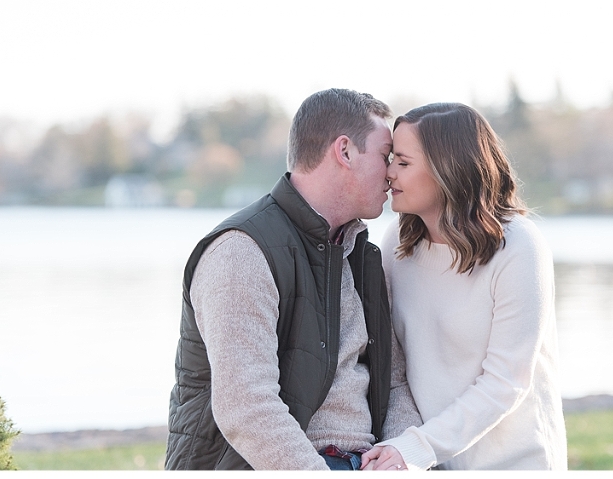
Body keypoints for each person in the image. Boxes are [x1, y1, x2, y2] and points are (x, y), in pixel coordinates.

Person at [164, 88, 421, 470]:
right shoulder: (242, 251)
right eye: (386, 157)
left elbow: (396, 384)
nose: (391, 174)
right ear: (345, 151)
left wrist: (403, 456)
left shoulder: (365, 258)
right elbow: (247, 408)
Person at [361, 103, 567, 471]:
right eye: (391, 158)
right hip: (429, 462)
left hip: (512, 464)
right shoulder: (398, 242)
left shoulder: (518, 247)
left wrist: (417, 447)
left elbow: (506, 382)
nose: (388, 172)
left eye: (403, 163)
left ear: (449, 171)